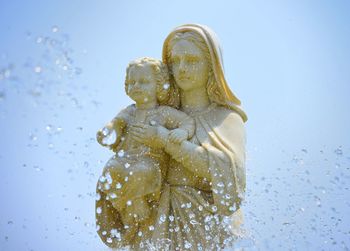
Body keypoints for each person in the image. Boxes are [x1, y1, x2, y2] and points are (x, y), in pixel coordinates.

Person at [129, 24, 248, 250]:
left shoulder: (226, 118)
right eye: (175, 61)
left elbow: (232, 174)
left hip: (201, 227)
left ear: (211, 66)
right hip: (155, 226)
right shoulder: (158, 114)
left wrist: (167, 142)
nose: (182, 68)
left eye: (192, 61)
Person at [95, 57, 196, 248]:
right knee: (110, 169)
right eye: (132, 82)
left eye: (144, 82)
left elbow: (188, 122)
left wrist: (181, 132)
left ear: (159, 85)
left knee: (142, 172)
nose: (137, 86)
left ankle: (137, 201)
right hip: (126, 159)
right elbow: (115, 124)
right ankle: (127, 204)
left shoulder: (164, 113)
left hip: (151, 162)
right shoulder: (129, 111)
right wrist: (107, 131)